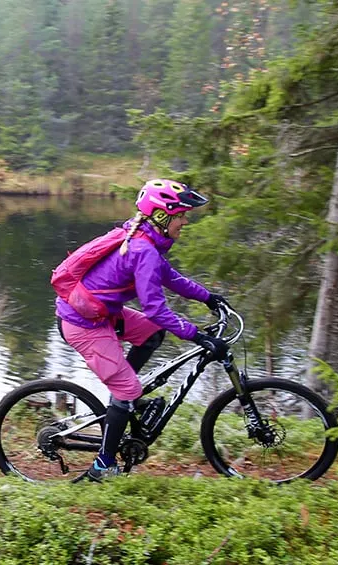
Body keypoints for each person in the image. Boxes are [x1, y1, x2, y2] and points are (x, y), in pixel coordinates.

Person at [56, 178, 230, 481]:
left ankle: (124, 397)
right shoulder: (143, 249)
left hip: (101, 315)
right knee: (127, 389)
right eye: (181, 216)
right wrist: (197, 335)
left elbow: (170, 278)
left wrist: (208, 297)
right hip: (83, 325)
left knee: (152, 333)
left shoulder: (143, 240)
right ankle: (102, 466)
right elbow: (155, 309)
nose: (185, 222)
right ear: (162, 216)